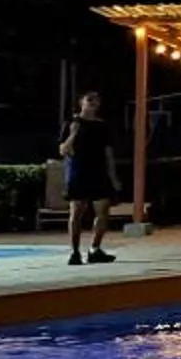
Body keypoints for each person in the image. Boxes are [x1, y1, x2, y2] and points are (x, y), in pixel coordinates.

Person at [58, 91, 118, 268]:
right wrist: (73, 134)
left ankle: (95, 249)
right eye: (89, 100)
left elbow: (108, 152)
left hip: (99, 172)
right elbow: (63, 150)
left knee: (103, 212)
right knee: (76, 212)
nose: (93, 103)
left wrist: (113, 176)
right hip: (78, 171)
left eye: (96, 100)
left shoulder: (102, 126)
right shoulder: (72, 123)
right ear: (81, 103)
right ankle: (75, 252)